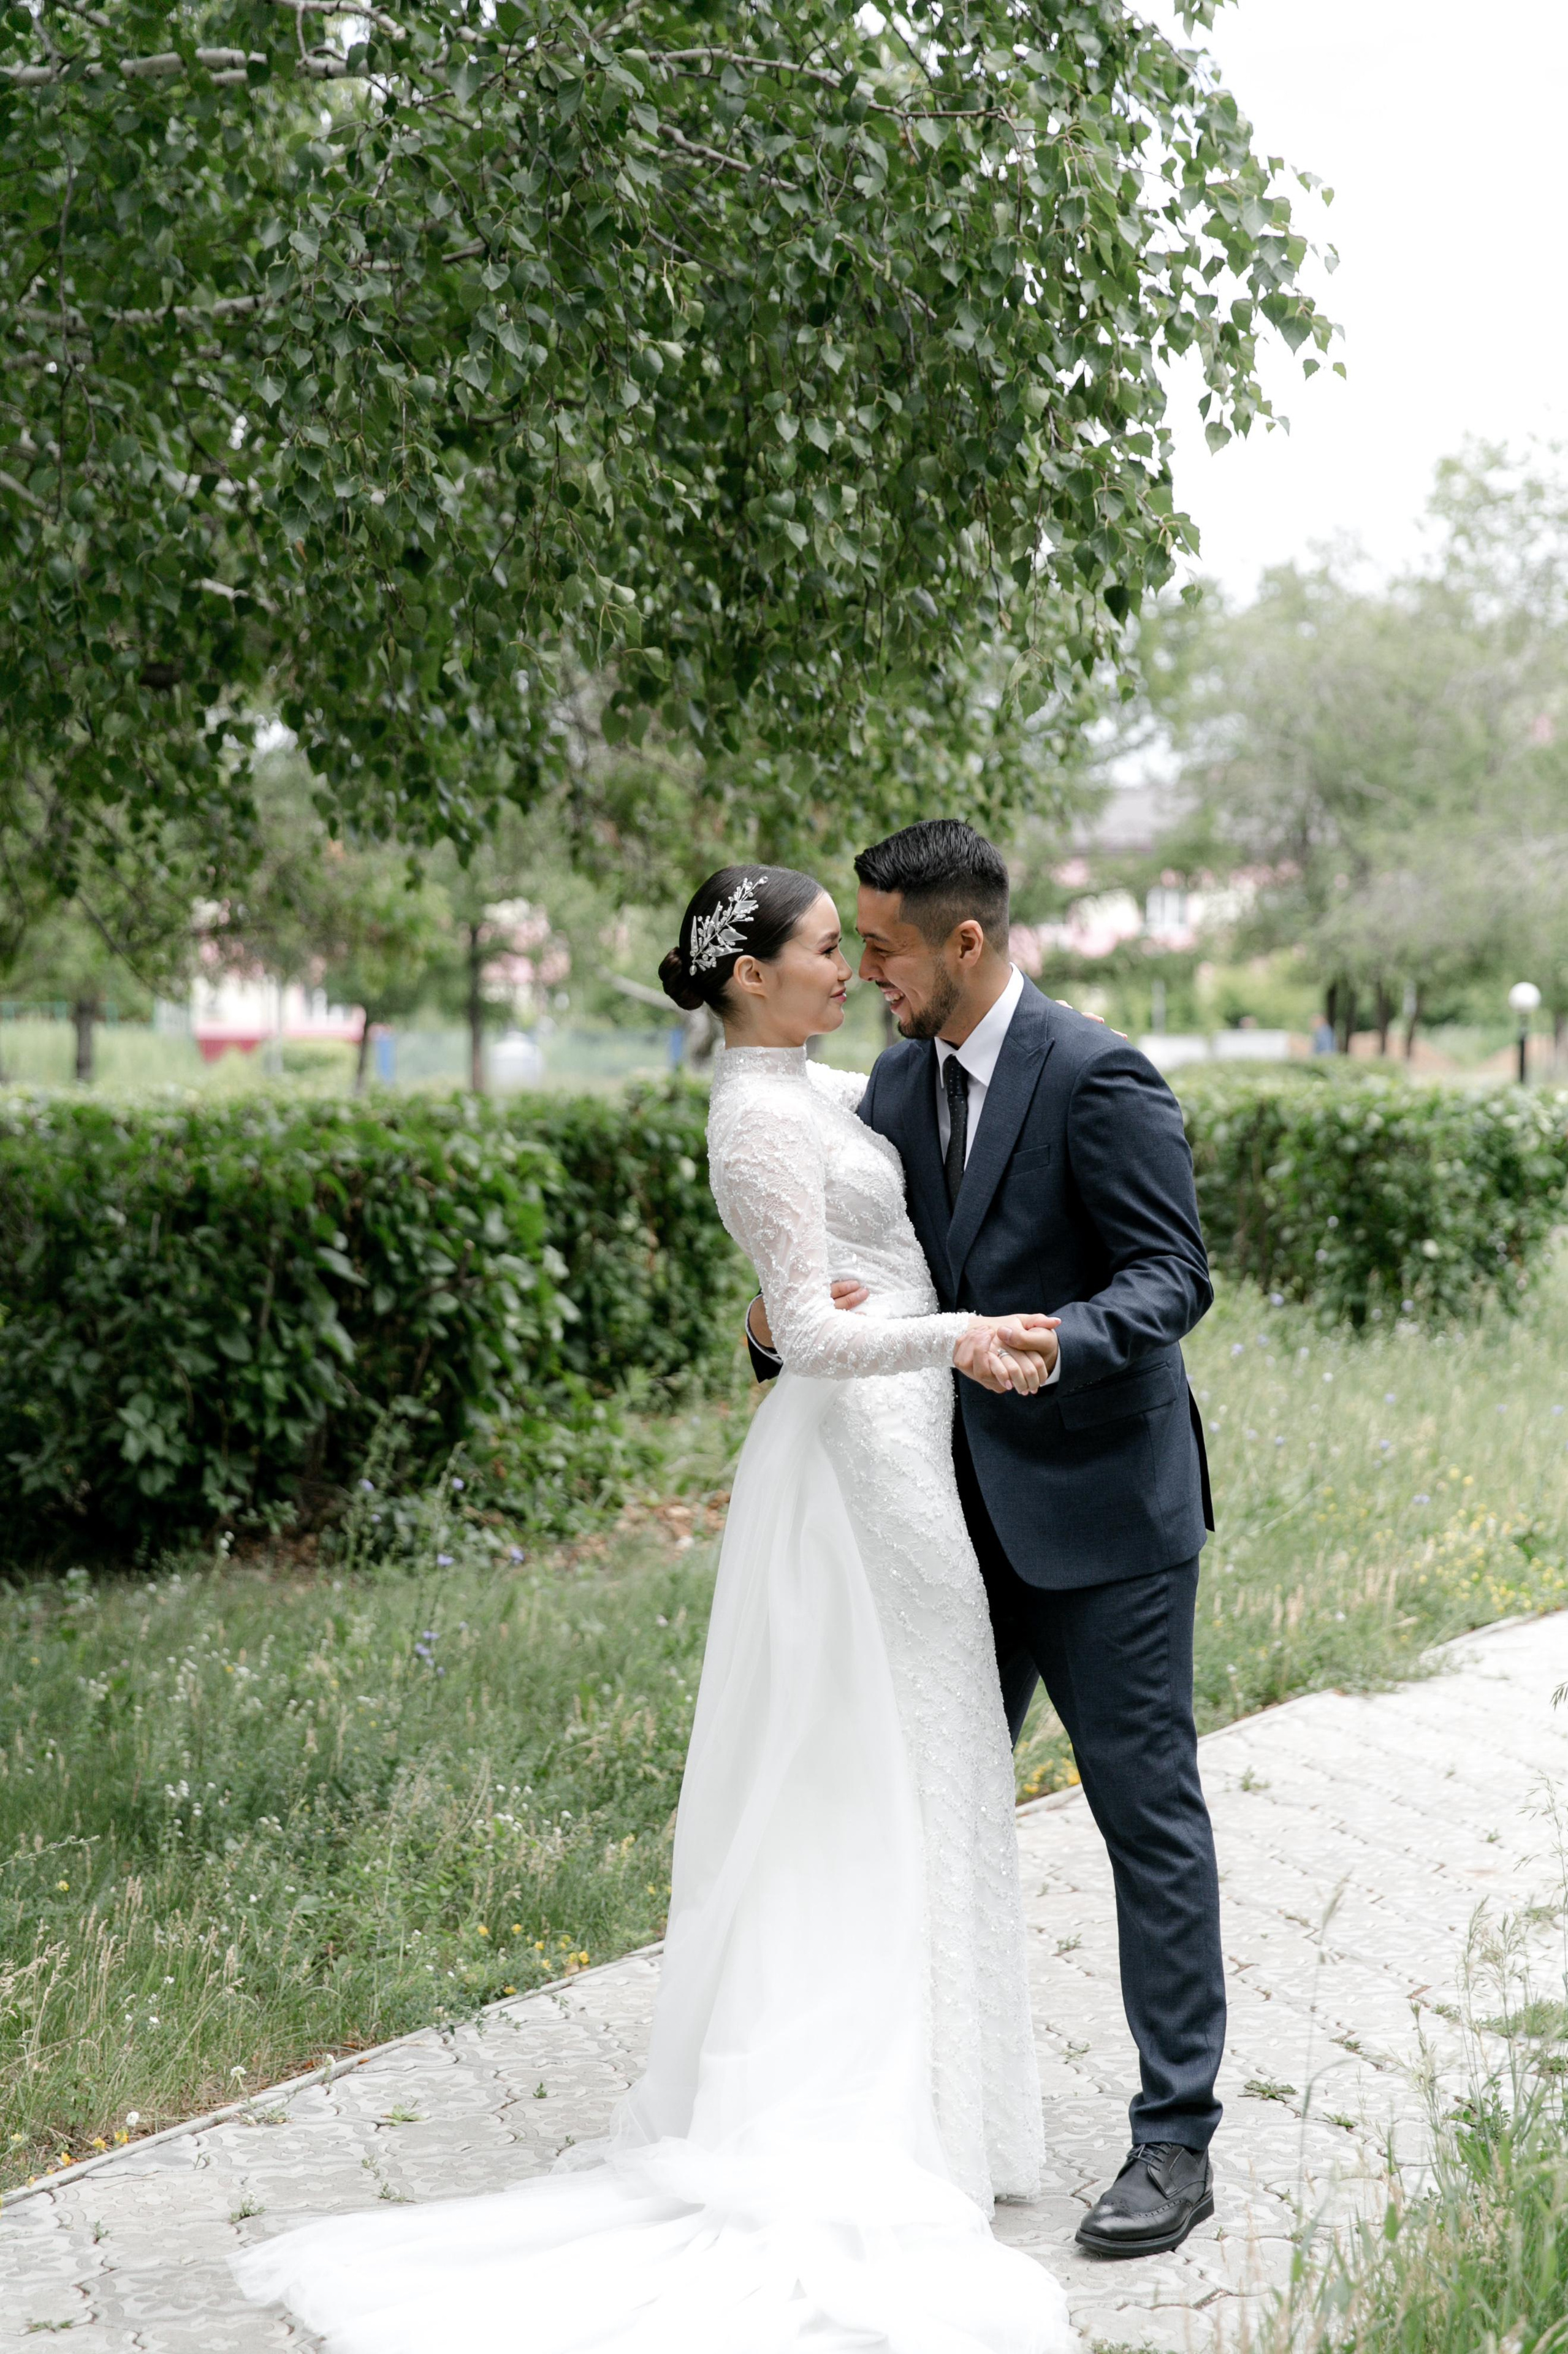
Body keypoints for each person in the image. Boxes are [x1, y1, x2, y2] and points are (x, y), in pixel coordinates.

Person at [235, 864, 1073, 2354]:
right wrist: (961, 1339)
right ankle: (888, 2104)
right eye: (825, 949)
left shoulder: (813, 1086)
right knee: (886, 1768)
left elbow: (814, 1286)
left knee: (928, 1768)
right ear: (749, 973)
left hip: (902, 1461)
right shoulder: (753, 1116)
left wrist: (890, 1322)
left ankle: (957, 2106)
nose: (845, 966)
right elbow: (810, 1330)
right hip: (859, 1470)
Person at [747, 820, 1222, 2260]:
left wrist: (1057, 1345)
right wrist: (777, 1333)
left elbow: (1172, 1275)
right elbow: (869, 1279)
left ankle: (1174, 2139)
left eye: (880, 947)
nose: (865, 973)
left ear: (965, 943)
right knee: (920, 1809)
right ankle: (912, 2110)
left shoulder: (1096, 1074)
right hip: (942, 1524)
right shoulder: (894, 1078)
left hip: (1103, 1517)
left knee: (1143, 1816)